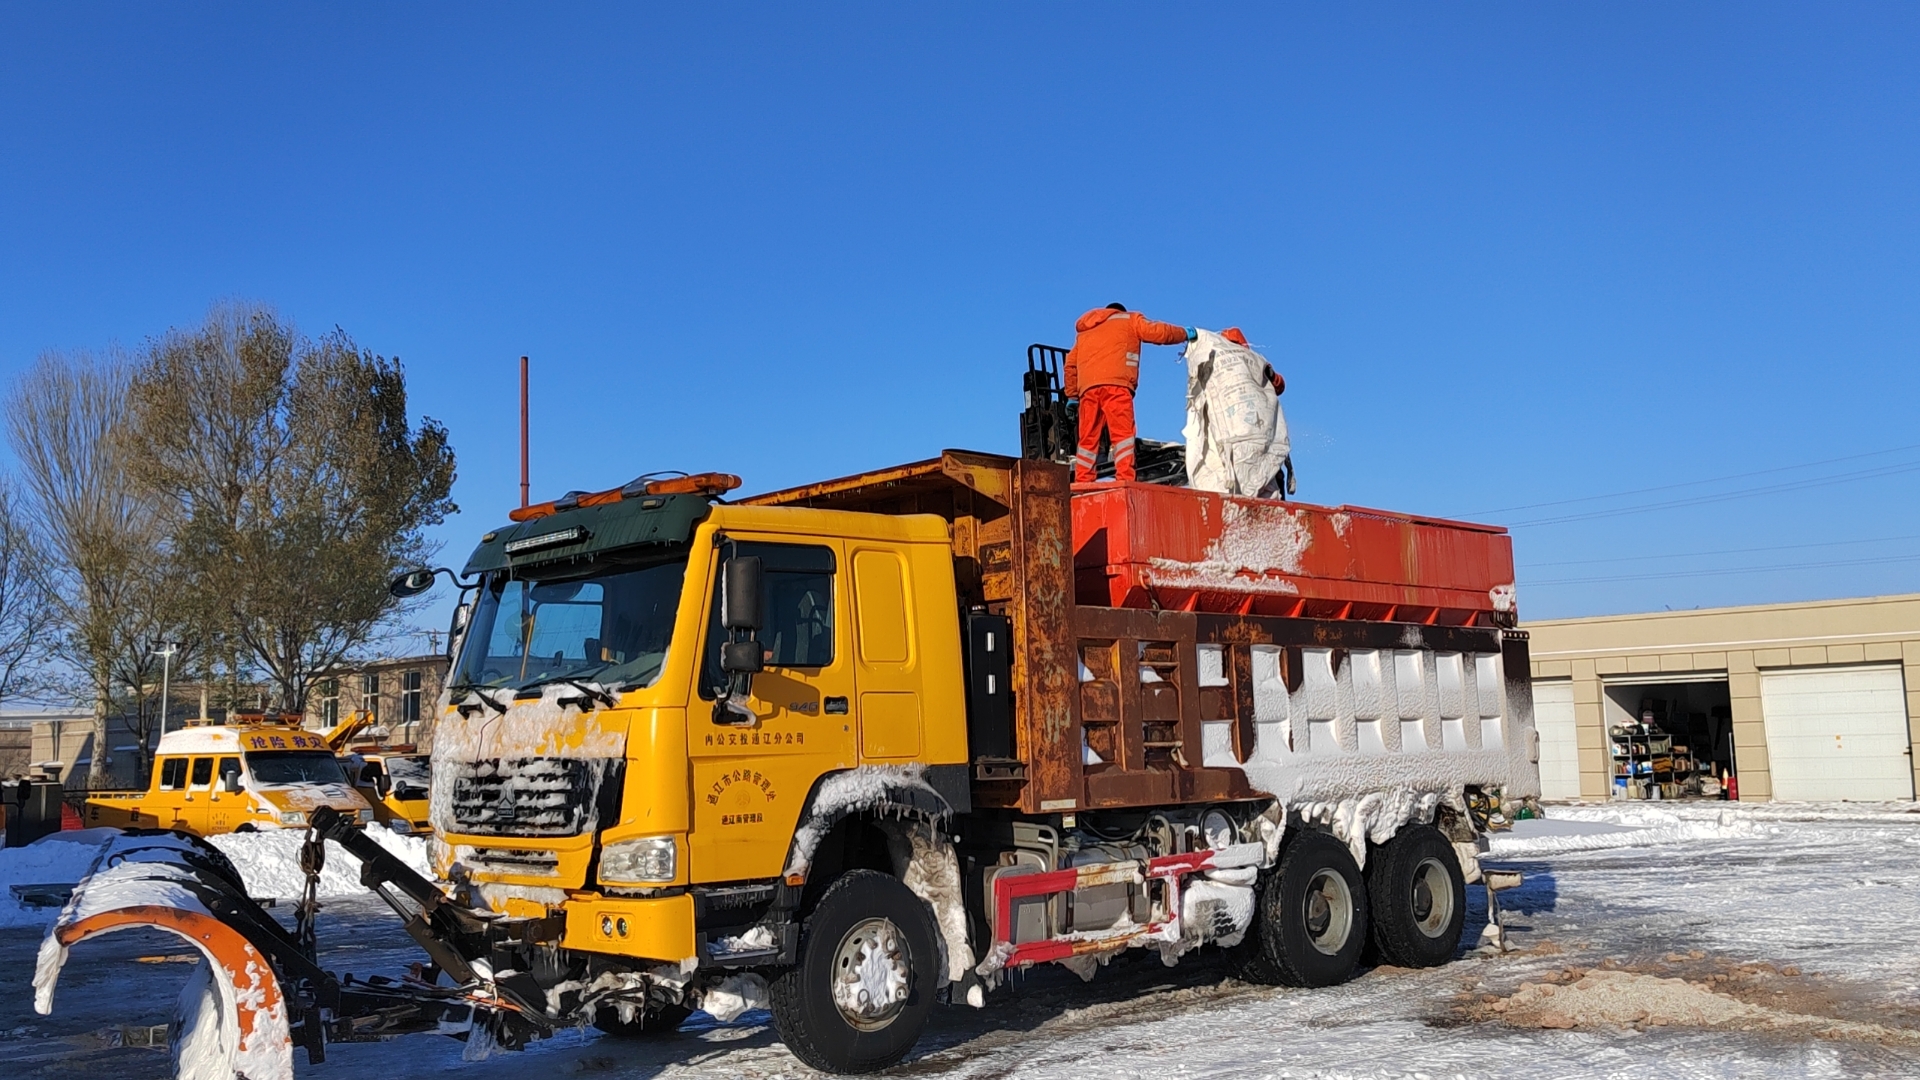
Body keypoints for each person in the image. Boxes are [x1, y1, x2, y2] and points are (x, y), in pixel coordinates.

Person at [1063, 303, 1195, 482]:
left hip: (1088, 391)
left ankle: (1083, 482)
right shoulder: (1129, 320)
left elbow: (1070, 365)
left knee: (1087, 440)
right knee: (1122, 436)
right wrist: (1183, 333)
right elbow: (1158, 332)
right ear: (1119, 311)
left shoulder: (1085, 333)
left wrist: (1072, 396)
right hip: (1116, 387)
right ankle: (1124, 478)